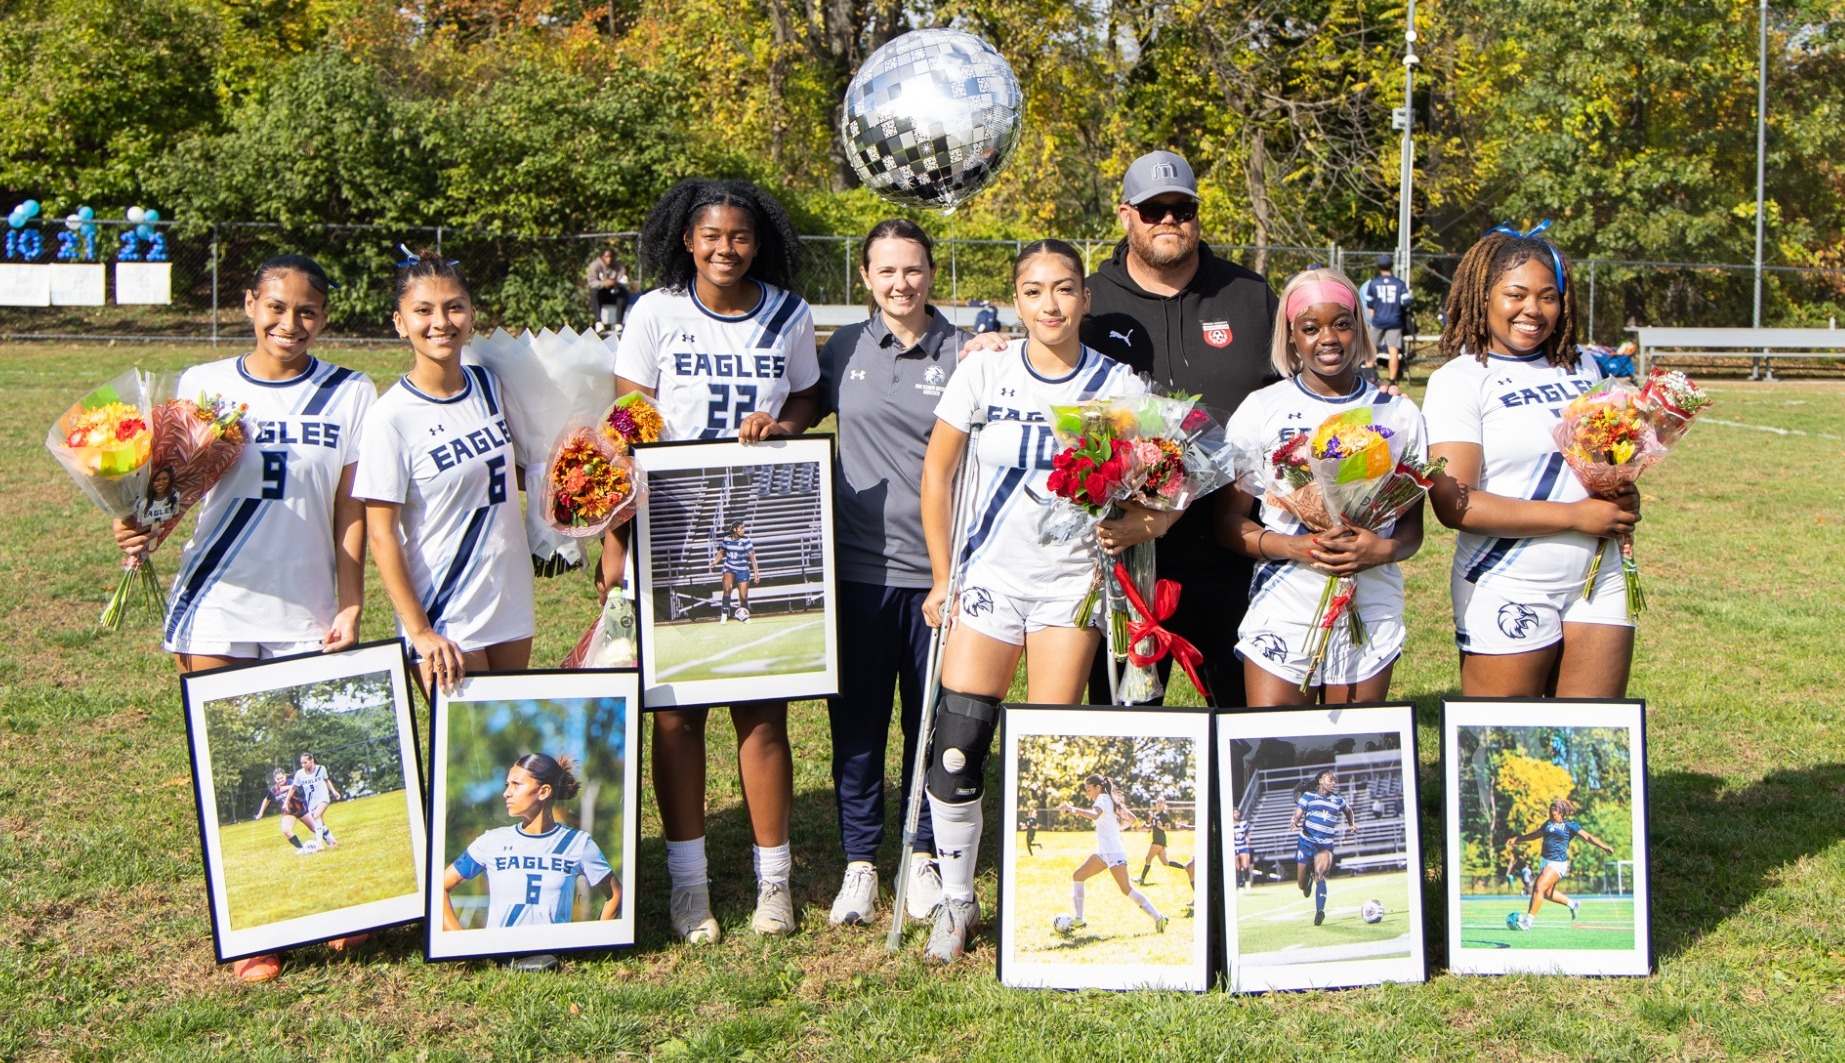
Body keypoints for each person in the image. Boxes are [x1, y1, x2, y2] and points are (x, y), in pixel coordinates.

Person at [112, 253, 374, 983]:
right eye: (276, 306)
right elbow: (172, 489)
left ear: (325, 316)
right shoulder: (205, 383)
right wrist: (136, 525)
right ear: (250, 304)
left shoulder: (352, 392)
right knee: (223, 759)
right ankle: (254, 930)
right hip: (218, 599)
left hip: (307, 606)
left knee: (297, 755)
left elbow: (351, 509)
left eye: (307, 310)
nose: (290, 323)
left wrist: (351, 599)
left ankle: (329, 910)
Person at [963, 151, 1279, 708]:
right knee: (1125, 723)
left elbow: (1298, 386)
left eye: (1182, 209)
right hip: (1117, 563)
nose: (1169, 220)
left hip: (1229, 553)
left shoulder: (1249, 296)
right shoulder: (1090, 299)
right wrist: (993, 344)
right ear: (1126, 214)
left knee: (1239, 722)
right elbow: (1042, 345)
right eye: (1153, 209)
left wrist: (1371, 390)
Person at [915, 239, 1140, 964]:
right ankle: (957, 900)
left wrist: (1141, 524)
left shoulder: (1116, 383)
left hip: (1069, 584)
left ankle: (1035, 897)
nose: (1050, 304)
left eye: (1065, 288)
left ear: (1085, 298)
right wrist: (943, 576)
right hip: (990, 576)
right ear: (1016, 300)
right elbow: (937, 474)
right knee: (956, 746)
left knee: (1048, 750)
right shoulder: (985, 371)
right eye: (1034, 290)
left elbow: (1166, 485)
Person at [610, 178, 817, 943]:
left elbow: (808, 396)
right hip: (670, 524)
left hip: (755, 516)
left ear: (758, 243)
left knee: (762, 710)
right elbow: (626, 422)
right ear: (686, 240)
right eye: (711, 236)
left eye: (739, 236)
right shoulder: (654, 312)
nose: (725, 249)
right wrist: (613, 538)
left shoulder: (788, 313)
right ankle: (688, 883)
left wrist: (782, 423)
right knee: (676, 714)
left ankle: (774, 882)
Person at [800, 218, 965, 929]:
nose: (902, 283)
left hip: (939, 576)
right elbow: (802, 411)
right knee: (858, 727)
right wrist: (772, 429)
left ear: (931, 273)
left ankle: (920, 855)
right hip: (858, 573)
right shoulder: (842, 347)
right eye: (887, 271)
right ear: (865, 278)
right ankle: (861, 863)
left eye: (914, 269)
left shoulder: (967, 351)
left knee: (930, 726)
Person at [1423, 229, 1639, 698]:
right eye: (1516, 294)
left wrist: (1621, 487)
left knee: (1592, 737)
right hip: (1507, 577)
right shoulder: (1459, 380)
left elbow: (1602, 457)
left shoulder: (1582, 364)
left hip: (1599, 573)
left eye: (1548, 297)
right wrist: (1577, 517)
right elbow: (1455, 505)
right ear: (1483, 296)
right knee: (1504, 740)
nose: (1533, 310)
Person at [1216, 269, 1426, 706]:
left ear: (1359, 328)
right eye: (1310, 328)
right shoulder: (1262, 409)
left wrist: (1381, 550)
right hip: (1285, 598)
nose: (1328, 338)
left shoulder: (1397, 412)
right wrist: (1294, 547)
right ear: (1292, 336)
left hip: (1370, 601)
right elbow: (1228, 523)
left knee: (1354, 744)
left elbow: (1412, 530)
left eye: (1341, 324)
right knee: (1275, 740)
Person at [356, 253, 534, 698]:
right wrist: (420, 631)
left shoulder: (491, 384)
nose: (441, 322)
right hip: (446, 608)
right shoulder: (390, 417)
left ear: (472, 316)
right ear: (400, 322)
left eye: (454, 307)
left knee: (509, 730)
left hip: (508, 595)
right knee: (468, 741)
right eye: (423, 310)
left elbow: (509, 472)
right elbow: (381, 535)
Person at [442, 753, 621, 930]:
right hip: (499, 949)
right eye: (507, 785)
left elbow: (616, 895)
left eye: (516, 784)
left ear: (544, 792)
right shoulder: (491, 841)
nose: (506, 793)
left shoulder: (578, 843)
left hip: (553, 950)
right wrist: (462, 943)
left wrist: (595, 943)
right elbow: (439, 888)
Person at [1055, 775, 1168, 936]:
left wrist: (1071, 808)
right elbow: (1132, 818)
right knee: (1078, 876)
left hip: (1113, 853)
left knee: (1126, 889)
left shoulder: (1102, 798)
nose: (1088, 793)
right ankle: (1079, 919)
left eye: (1089, 789)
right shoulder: (1110, 799)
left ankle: (1159, 918)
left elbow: (1094, 815)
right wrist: (1116, 829)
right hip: (1104, 852)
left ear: (1098, 787)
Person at [1504, 797, 1615, 929]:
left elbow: (1588, 837)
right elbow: (1534, 835)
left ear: (1561, 813)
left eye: (1553, 814)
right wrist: (1517, 839)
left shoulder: (1570, 825)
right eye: (1549, 813)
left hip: (1558, 863)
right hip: (1545, 862)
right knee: (1546, 893)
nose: (1550, 815)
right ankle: (1573, 904)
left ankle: (1528, 922)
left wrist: (1604, 846)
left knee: (1538, 887)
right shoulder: (1548, 824)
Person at [1293, 769, 1356, 927]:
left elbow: (1348, 811)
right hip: (1306, 842)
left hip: (1324, 845)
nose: (1333, 782)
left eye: (1334, 780)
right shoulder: (1309, 796)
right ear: (1321, 781)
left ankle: (1320, 911)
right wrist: (1295, 821)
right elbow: (1298, 812)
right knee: (1301, 885)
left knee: (1320, 875)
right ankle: (1307, 882)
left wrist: (1351, 824)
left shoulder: (1338, 800)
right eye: (1330, 779)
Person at [1360, 253, 1410, 384]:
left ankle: (1368, 378)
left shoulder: (1373, 283)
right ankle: (1392, 380)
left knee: (1372, 350)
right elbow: (1406, 302)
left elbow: (1369, 304)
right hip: (1395, 321)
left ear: (1378, 267)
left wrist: (1374, 317)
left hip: (1378, 320)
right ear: (1391, 266)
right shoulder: (1399, 283)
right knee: (1393, 351)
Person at [708, 519, 758, 623]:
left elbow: (752, 557)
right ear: (735, 529)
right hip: (729, 567)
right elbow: (722, 552)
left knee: (743, 597)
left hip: (742, 570)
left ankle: (744, 616)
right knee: (727, 588)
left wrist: (756, 573)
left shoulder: (746, 541)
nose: (743, 530)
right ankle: (724, 615)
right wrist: (714, 562)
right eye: (741, 528)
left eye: (744, 528)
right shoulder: (726, 539)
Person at [254, 770, 315, 853]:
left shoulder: (291, 782)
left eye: (281, 778)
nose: (280, 780)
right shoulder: (274, 790)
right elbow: (267, 799)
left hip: (301, 809)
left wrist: (288, 787)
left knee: (315, 828)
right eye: (278, 779)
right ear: (275, 779)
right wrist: (261, 813)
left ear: (285, 776)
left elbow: (299, 786)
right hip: (288, 812)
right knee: (286, 830)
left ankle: (330, 841)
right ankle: (301, 848)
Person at [291, 752, 342, 849]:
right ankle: (333, 841)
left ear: (312, 761)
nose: (303, 765)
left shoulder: (321, 769)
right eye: (301, 763)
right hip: (311, 802)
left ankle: (319, 844)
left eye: (305, 762)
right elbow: (293, 787)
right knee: (320, 822)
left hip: (323, 798)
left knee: (316, 816)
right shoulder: (300, 774)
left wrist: (334, 791)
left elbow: (326, 780)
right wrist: (286, 801)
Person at [1136, 796, 1182, 885]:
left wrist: (1161, 827)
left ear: (1164, 804)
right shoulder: (1155, 815)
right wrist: (1145, 826)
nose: (1159, 804)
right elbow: (1153, 827)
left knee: (1148, 859)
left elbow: (1168, 828)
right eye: (1158, 802)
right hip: (1158, 839)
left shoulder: (1164, 815)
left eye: (1161, 802)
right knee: (1165, 862)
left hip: (1159, 840)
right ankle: (1186, 867)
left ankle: (1141, 880)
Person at [587, 248, 630, 331]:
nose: (609, 259)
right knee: (594, 292)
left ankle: (619, 323)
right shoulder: (594, 266)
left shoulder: (619, 266)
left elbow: (623, 281)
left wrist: (615, 283)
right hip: (601, 294)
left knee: (623, 292)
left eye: (611, 257)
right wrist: (604, 283)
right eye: (606, 257)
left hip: (614, 293)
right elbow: (591, 282)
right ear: (602, 257)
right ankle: (598, 322)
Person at [1231, 807, 1254, 890]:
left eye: (1237, 813)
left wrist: (1248, 838)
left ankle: (1247, 881)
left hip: (1243, 846)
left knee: (1245, 866)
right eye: (1234, 813)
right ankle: (1240, 884)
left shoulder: (1243, 823)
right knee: (1237, 868)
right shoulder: (1230, 825)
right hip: (1235, 847)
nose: (1236, 814)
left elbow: (1247, 832)